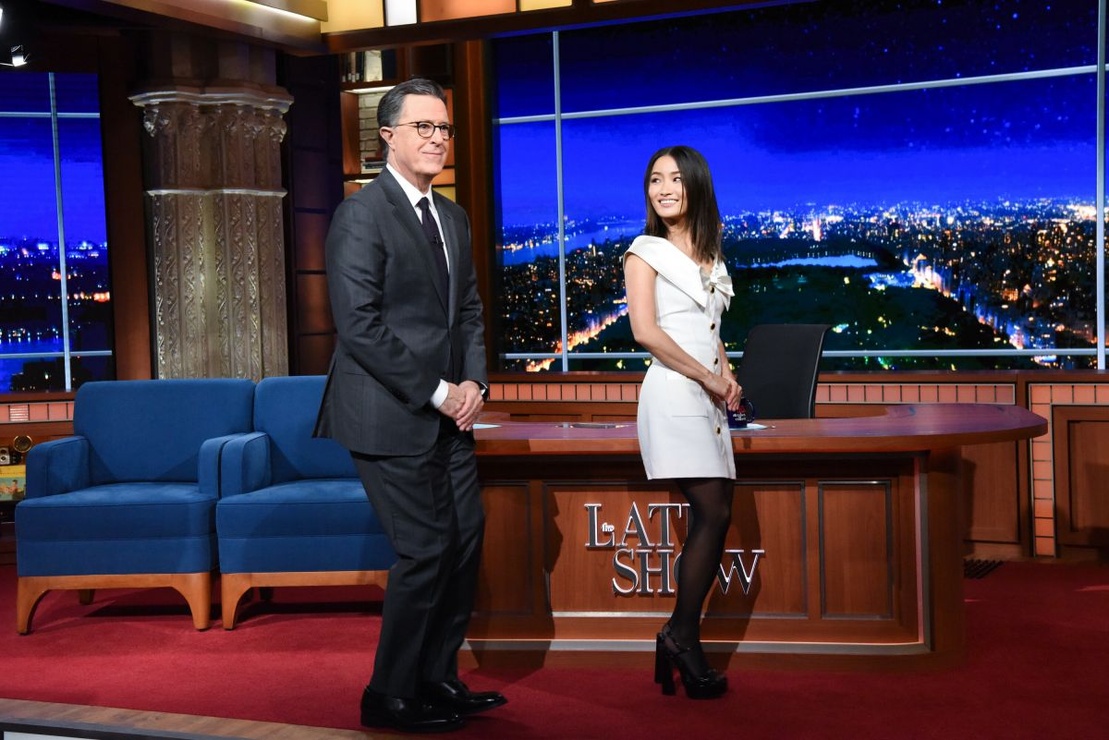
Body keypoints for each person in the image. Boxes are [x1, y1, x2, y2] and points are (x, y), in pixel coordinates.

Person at [314, 77, 506, 733]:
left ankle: (436, 678)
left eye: (444, 128)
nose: (437, 138)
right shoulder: (360, 214)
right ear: (388, 136)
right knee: (423, 551)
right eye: (423, 126)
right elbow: (359, 326)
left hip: (452, 414)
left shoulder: (452, 217)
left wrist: (474, 384)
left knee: (463, 543)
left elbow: (469, 312)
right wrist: (439, 392)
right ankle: (388, 695)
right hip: (387, 413)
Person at [622, 145, 740, 700]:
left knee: (716, 515)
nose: (664, 188)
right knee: (713, 512)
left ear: (695, 185)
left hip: (708, 397)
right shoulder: (644, 252)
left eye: (674, 178)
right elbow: (645, 332)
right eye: (655, 179)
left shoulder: (710, 253)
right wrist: (708, 377)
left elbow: (709, 329)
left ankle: (678, 635)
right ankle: (681, 637)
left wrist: (727, 374)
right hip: (673, 393)